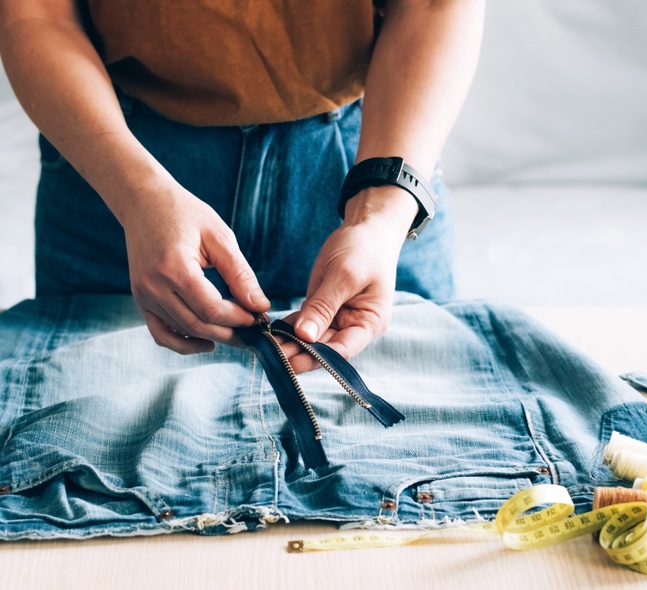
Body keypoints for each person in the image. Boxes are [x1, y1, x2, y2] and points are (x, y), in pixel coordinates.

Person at [0, 0, 485, 373]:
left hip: (375, 158)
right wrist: (137, 195)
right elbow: (37, 14)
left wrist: (381, 217)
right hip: (117, 169)